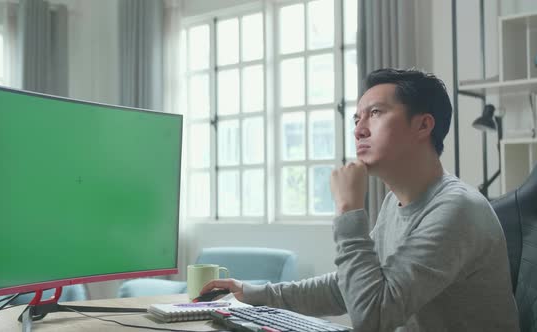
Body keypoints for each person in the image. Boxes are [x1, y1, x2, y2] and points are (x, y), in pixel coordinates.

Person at [199, 68, 520, 331]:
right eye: (356, 119)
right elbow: (351, 287)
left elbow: (374, 316)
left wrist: (348, 211)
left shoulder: (456, 209)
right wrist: (254, 294)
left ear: (423, 125)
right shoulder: (395, 203)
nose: (359, 130)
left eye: (376, 113)